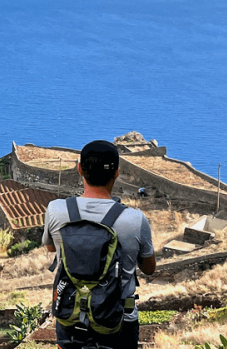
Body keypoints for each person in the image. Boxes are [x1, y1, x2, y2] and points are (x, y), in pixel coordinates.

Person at [43, 140, 156, 348]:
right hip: (120, 322)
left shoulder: (56, 210)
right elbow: (149, 268)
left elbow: (51, 248)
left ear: (79, 169)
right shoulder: (135, 219)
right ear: (117, 173)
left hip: (70, 319)